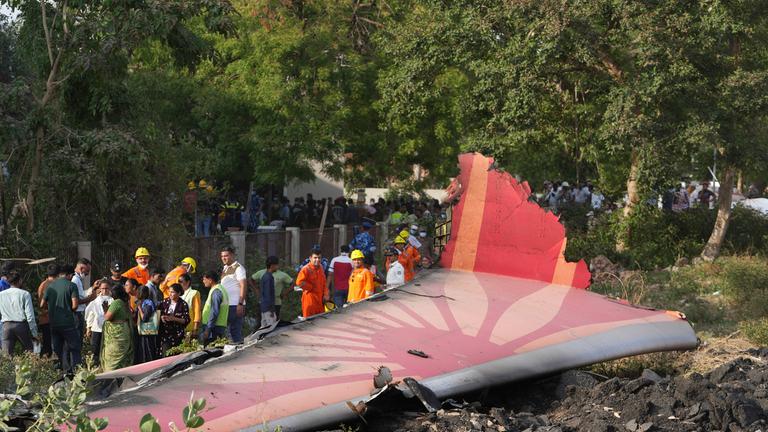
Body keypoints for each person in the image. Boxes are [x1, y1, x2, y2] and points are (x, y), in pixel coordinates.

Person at [42, 265, 81, 373]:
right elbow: (74, 305)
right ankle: (76, 371)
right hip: (68, 323)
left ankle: (59, 372)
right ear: (69, 275)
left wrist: (51, 309)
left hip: (54, 323)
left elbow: (42, 304)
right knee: (74, 348)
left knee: (57, 349)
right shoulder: (72, 286)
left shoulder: (50, 286)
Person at [0, 271, 38, 356]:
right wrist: (34, 333)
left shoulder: (1, 294)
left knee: (6, 355)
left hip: (6, 326)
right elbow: (30, 316)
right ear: (20, 280)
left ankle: (7, 369)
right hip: (21, 325)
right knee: (29, 352)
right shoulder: (25, 294)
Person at [101, 284, 133, 372]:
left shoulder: (116, 302)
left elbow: (107, 317)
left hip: (116, 334)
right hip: (124, 330)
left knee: (112, 356)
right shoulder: (124, 302)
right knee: (121, 356)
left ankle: (111, 375)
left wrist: (105, 310)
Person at [220, 247, 247, 343]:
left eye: (226, 255)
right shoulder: (225, 268)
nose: (224, 258)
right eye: (222, 256)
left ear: (232, 255)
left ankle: (239, 353)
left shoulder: (239, 268)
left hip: (235, 305)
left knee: (235, 331)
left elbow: (243, 285)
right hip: (226, 305)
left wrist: (240, 304)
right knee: (226, 332)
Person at [84, 279, 113, 367]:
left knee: (106, 349)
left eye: (106, 288)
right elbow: (90, 315)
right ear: (100, 289)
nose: (104, 290)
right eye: (103, 288)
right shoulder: (95, 301)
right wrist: (88, 327)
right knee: (95, 349)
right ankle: (94, 366)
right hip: (96, 328)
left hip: (108, 329)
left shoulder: (112, 300)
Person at [295, 248, 328, 319]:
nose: (317, 260)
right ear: (310, 258)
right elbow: (299, 282)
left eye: (319, 258)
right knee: (309, 323)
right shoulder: (305, 269)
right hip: (309, 301)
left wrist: (326, 294)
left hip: (320, 301)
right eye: (315, 258)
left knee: (320, 322)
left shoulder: (321, 267)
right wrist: (310, 287)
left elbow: (324, 282)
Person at [159, 284, 190, 356]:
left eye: (172, 292)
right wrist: (162, 317)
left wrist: (174, 319)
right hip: (165, 335)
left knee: (177, 356)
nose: (170, 294)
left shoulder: (183, 304)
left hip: (178, 335)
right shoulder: (164, 302)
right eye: (169, 292)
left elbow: (186, 320)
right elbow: (158, 313)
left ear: (179, 293)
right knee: (165, 355)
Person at [36, 263, 59, 357]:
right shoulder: (52, 285)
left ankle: (44, 365)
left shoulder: (43, 284)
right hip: (49, 318)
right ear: (58, 274)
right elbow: (43, 304)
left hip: (45, 319)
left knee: (47, 345)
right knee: (50, 346)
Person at [200, 271, 229, 345]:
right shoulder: (220, 289)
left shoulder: (216, 291)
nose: (203, 281)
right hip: (217, 326)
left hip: (213, 328)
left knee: (210, 351)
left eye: (204, 279)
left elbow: (214, 312)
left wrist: (208, 329)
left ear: (210, 280)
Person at [136, 285, 159, 364]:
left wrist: (139, 307)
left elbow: (144, 318)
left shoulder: (148, 303)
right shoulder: (143, 302)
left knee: (148, 351)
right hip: (143, 331)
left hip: (148, 331)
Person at [179, 273, 201, 340]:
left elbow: (197, 311)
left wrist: (195, 328)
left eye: (181, 281)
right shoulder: (178, 294)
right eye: (178, 281)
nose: (179, 283)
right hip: (179, 328)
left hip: (189, 328)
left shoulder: (194, 293)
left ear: (188, 282)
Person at [259, 256, 279, 328]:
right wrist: (272, 310)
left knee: (263, 328)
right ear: (272, 266)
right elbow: (268, 294)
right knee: (270, 328)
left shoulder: (265, 276)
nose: (277, 267)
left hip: (264, 307)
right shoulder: (268, 277)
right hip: (268, 308)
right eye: (276, 265)